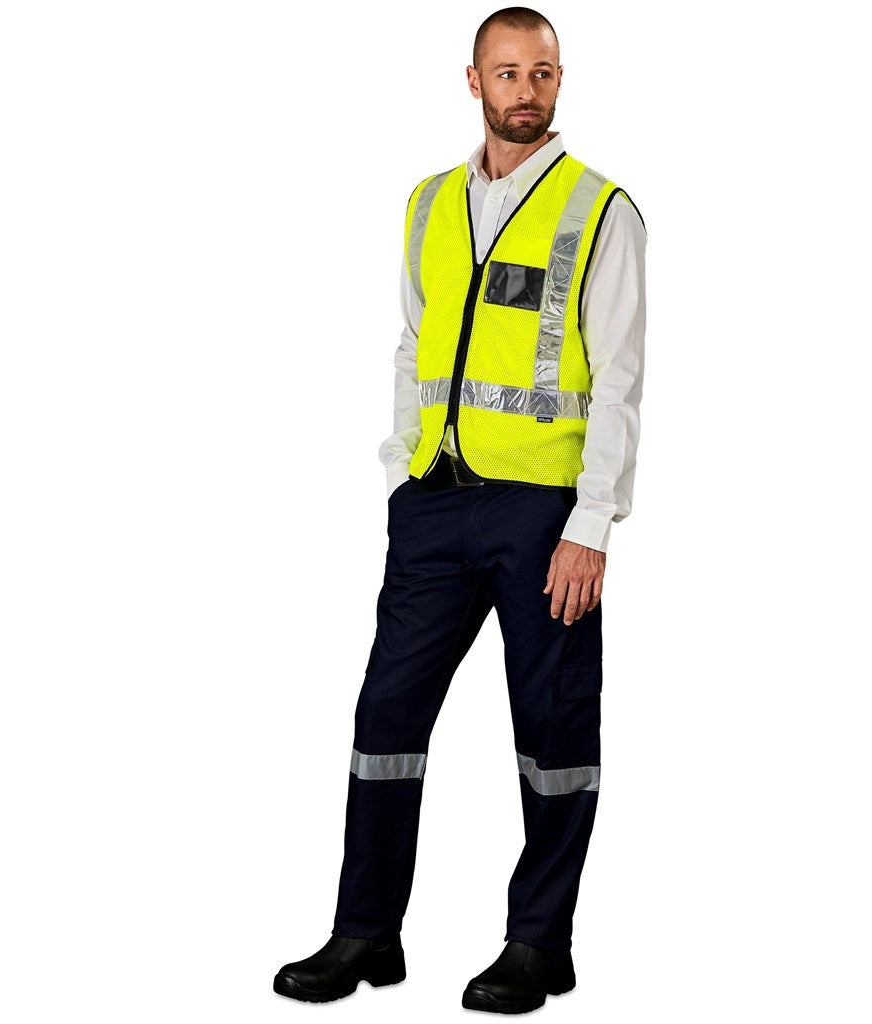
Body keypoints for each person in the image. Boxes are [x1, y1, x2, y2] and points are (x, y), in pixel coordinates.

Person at [272, 6, 646, 1014]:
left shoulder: (599, 209)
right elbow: (414, 340)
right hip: (434, 505)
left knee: (552, 731)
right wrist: (403, 466)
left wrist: (592, 524)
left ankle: (540, 944)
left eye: (543, 72)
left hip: (543, 514)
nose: (527, 90)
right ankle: (365, 931)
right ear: (473, 81)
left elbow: (618, 378)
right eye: (508, 72)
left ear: (560, 81)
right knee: (385, 719)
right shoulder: (430, 202)